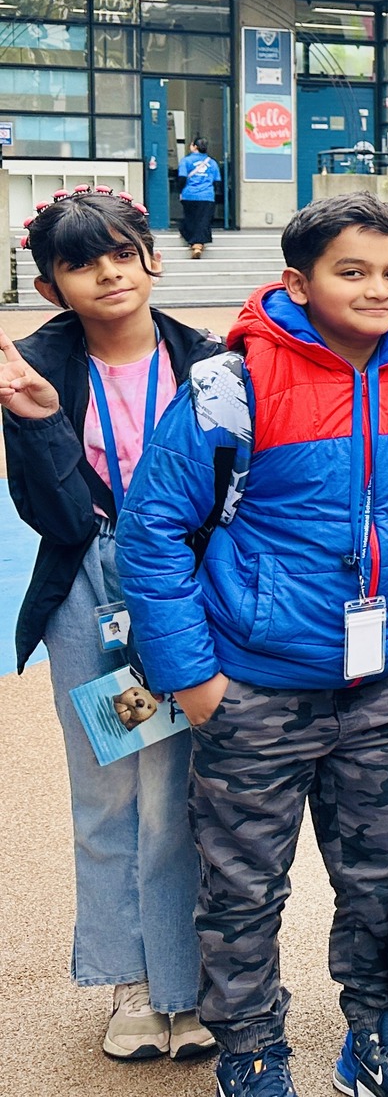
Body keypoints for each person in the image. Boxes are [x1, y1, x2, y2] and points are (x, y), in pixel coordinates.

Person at [116, 191, 388, 1097]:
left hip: (383, 687)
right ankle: (251, 1051)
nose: (378, 290)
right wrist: (192, 677)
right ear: (299, 280)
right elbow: (152, 530)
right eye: (351, 272)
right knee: (243, 890)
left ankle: (378, 1040)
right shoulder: (230, 385)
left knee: (383, 882)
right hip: (255, 692)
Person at [2, 185, 216, 1064]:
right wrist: (44, 421)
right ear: (53, 286)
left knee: (180, 793)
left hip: (181, 582)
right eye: (82, 263)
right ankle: (129, 982)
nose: (109, 273)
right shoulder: (33, 366)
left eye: (121, 252)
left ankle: (183, 983)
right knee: (109, 791)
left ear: (149, 256)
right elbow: (51, 510)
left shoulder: (208, 359)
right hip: (90, 587)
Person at [178, 138, 220, 258]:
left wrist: (181, 191)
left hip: (189, 195)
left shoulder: (186, 161)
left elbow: (182, 178)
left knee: (191, 219)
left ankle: (194, 244)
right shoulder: (212, 163)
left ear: (194, 147)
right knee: (203, 221)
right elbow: (217, 182)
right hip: (207, 196)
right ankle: (198, 244)